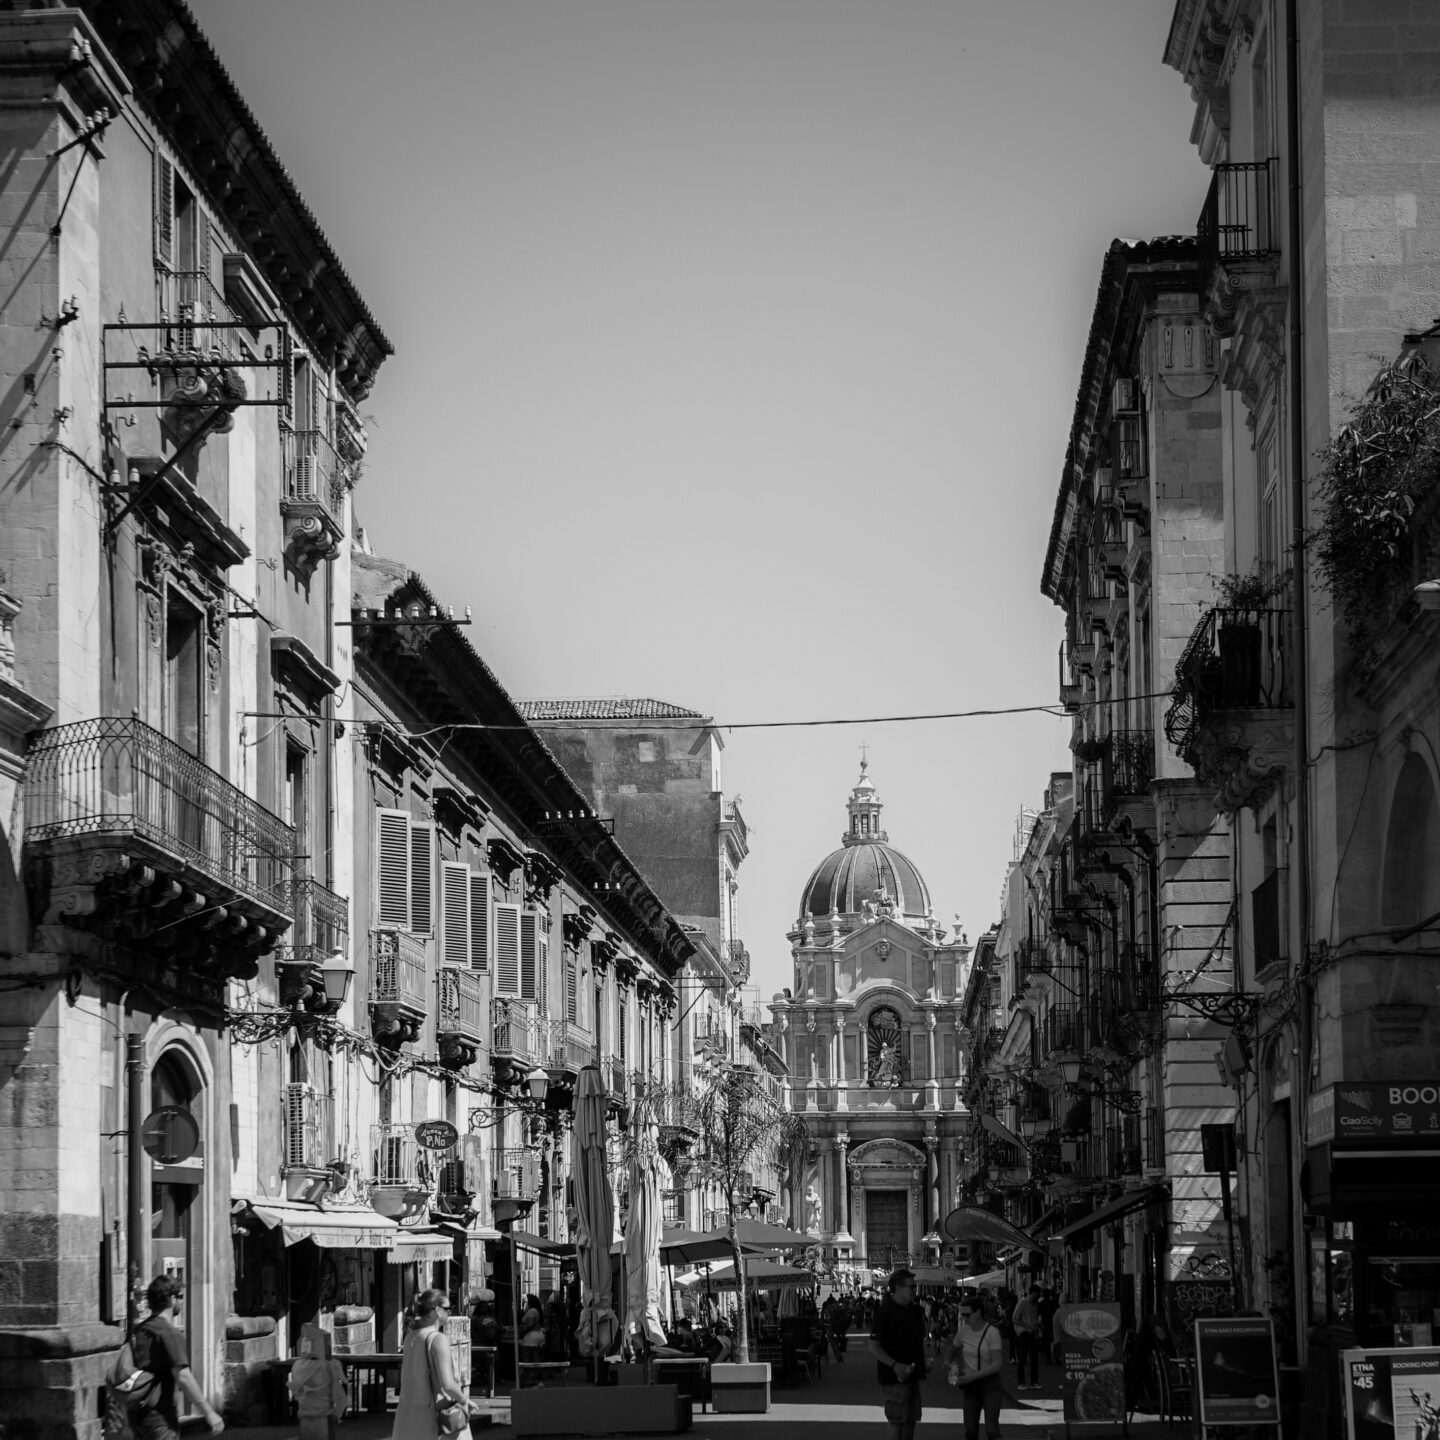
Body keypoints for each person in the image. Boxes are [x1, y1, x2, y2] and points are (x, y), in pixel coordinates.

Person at [130, 1275, 224, 1440]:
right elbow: (183, 1376)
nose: (182, 1302)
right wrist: (208, 1412)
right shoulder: (169, 1333)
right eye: (180, 1297)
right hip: (161, 1421)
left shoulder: (139, 1331)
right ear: (171, 1299)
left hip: (136, 1420)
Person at [392, 1289, 467, 1440]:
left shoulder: (410, 1338)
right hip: (430, 1419)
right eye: (448, 1309)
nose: (450, 1312)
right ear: (437, 1310)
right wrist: (464, 1400)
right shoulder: (438, 1339)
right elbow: (448, 1385)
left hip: (405, 1417)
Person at [869, 1268, 928, 1440]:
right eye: (911, 1287)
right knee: (897, 1422)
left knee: (911, 1420)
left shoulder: (912, 1310)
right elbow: (873, 1346)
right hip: (894, 1379)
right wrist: (895, 1365)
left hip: (913, 1375)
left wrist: (923, 1364)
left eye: (915, 1286)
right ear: (898, 1288)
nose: (914, 1290)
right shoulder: (885, 1312)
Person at [945, 1296, 1004, 1440]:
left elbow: (997, 1364)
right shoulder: (963, 1331)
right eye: (962, 1315)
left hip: (990, 1384)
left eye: (967, 1314)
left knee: (992, 1430)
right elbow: (952, 1349)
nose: (964, 1318)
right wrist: (947, 1362)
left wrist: (973, 1376)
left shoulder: (992, 1332)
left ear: (978, 1312)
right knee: (970, 1430)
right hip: (970, 1386)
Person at [1010, 1285, 1043, 1391]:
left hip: (1033, 1334)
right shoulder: (1022, 1303)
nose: (1039, 1296)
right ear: (1032, 1293)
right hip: (1024, 1334)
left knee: (1034, 1359)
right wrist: (1027, 1327)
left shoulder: (1035, 1304)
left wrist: (1038, 1327)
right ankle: (1021, 1382)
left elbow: (1035, 1318)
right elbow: (1015, 1319)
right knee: (1023, 1359)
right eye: (1037, 1294)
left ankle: (1034, 1381)